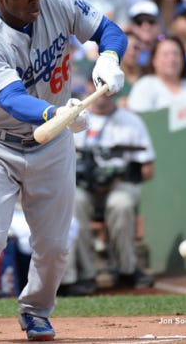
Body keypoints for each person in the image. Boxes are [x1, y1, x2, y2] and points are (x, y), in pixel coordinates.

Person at [0, 0, 126, 342]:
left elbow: (109, 30)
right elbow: (11, 100)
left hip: (51, 145)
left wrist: (109, 58)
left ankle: (36, 311)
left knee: (55, 244)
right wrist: (56, 114)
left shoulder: (55, 1)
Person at [59, 78, 155, 296]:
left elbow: (149, 169)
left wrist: (120, 173)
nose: (100, 91)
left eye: (105, 86)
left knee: (120, 203)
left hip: (119, 186)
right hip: (82, 186)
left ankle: (126, 269)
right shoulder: (74, 116)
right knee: (75, 202)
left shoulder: (131, 120)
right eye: (95, 84)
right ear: (87, 87)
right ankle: (86, 274)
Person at [127, 35, 186, 113]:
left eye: (176, 54)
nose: (171, 59)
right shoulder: (145, 85)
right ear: (154, 60)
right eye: (165, 54)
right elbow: (139, 117)